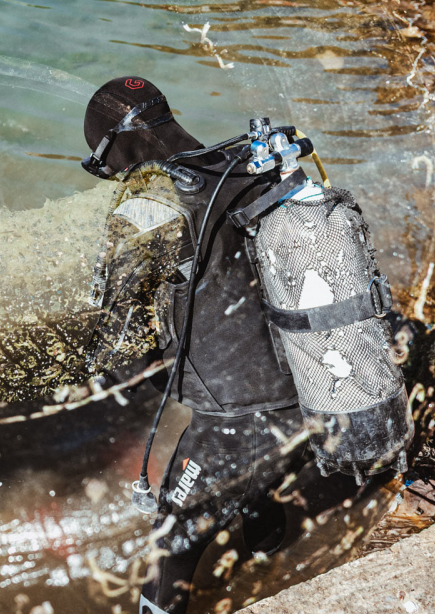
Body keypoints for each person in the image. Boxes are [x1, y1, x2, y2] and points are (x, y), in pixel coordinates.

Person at [78, 76, 309, 614]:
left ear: (116, 144)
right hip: (312, 381)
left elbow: (120, 345)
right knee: (257, 480)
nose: (110, 176)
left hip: (237, 416)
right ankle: (274, 563)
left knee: (172, 545)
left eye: (102, 163)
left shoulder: (145, 211)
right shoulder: (246, 164)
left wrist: (140, 374)